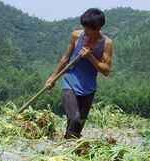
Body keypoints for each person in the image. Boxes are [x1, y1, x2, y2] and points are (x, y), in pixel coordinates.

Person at [46, 8, 113, 139]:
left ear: (98, 28)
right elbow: (65, 59)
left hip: (88, 88)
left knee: (77, 125)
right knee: (75, 118)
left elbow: (106, 70)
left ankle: (67, 149)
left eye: (88, 29)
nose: (85, 32)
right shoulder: (76, 36)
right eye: (85, 28)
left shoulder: (106, 43)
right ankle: (68, 147)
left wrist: (91, 57)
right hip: (70, 82)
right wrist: (52, 77)